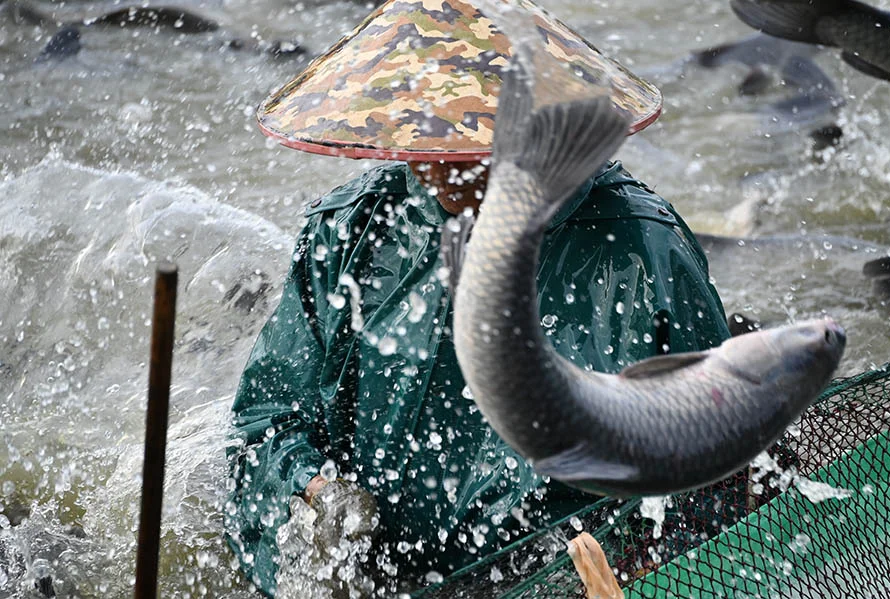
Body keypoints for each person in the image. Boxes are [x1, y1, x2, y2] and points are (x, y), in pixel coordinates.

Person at [224, 1, 732, 597]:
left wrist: (644, 567)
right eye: (424, 137)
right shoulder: (352, 229)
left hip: (559, 573)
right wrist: (316, 493)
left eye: (474, 141)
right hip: (382, 571)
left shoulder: (640, 252)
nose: (441, 168)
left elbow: (711, 474)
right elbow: (265, 422)